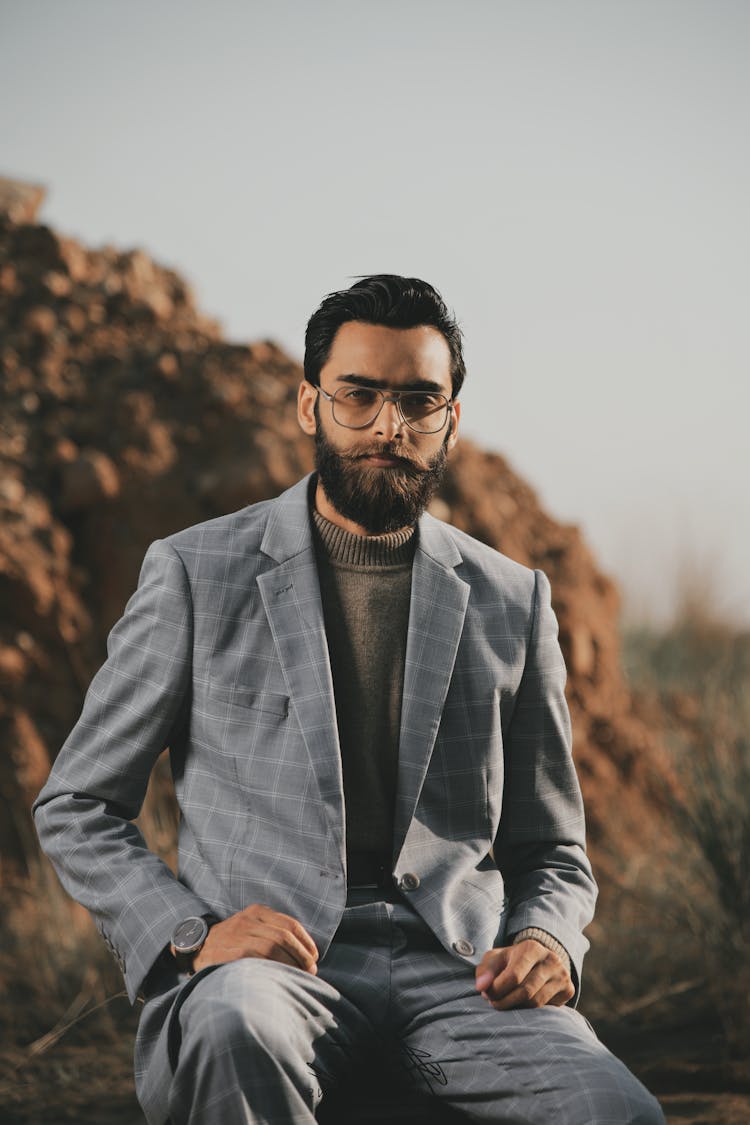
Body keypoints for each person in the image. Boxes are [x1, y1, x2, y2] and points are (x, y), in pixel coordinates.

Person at [34, 275, 664, 1125]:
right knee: (234, 1029)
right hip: (271, 973)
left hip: (460, 978)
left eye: (418, 400)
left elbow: (552, 846)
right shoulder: (196, 572)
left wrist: (549, 937)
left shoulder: (515, 600)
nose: (387, 425)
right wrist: (191, 935)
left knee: (613, 1105)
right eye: (359, 395)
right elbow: (77, 803)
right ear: (309, 404)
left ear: (450, 418)